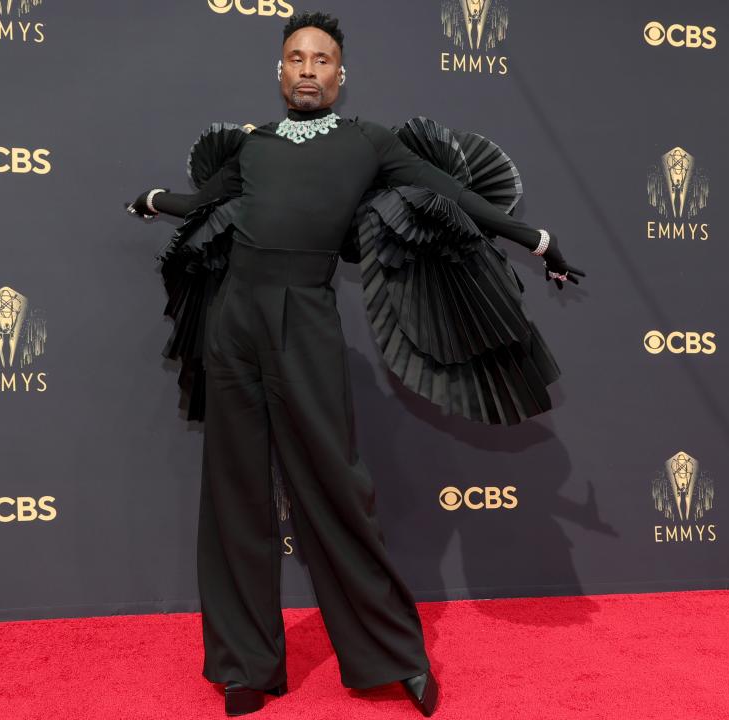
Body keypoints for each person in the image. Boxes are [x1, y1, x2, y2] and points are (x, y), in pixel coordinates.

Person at [126, 11, 584, 717]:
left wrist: (538, 238)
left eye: (322, 60)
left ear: (341, 76)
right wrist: (154, 201)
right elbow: (202, 205)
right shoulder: (253, 145)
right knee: (234, 489)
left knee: (337, 486)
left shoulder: (369, 142)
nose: (307, 69)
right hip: (232, 322)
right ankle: (246, 665)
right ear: (278, 72)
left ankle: (391, 656)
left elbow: (452, 196)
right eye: (296, 58)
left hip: (304, 320)